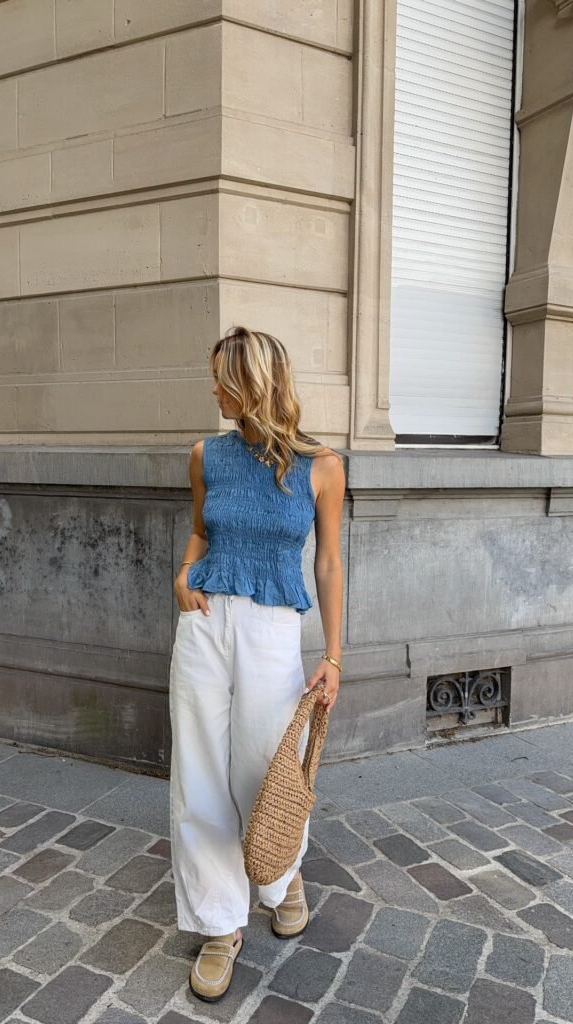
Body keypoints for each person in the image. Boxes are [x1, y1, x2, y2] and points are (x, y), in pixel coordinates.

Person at [169, 326, 345, 1003]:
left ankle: (281, 876)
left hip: (274, 627)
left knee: (267, 762)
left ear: (252, 383)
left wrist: (332, 653)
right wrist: (185, 573)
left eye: (221, 377)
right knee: (201, 772)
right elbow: (200, 529)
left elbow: (326, 561)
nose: (212, 389)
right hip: (206, 622)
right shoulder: (204, 454)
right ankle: (219, 924)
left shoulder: (321, 465)